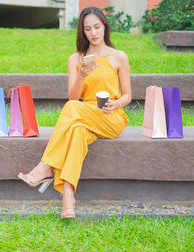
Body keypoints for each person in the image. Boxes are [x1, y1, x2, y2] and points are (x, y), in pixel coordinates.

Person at [18, 6, 132, 219]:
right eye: (88, 29)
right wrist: (81, 74)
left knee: (72, 110)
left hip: (112, 117)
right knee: (77, 129)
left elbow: (128, 96)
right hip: (85, 115)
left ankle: (46, 166)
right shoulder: (76, 59)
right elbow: (74, 96)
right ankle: (68, 196)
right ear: (83, 31)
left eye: (97, 27)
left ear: (104, 27)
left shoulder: (119, 57)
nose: (94, 33)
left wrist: (116, 105)